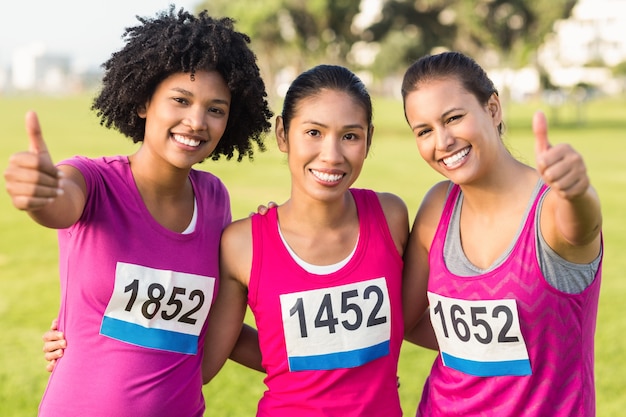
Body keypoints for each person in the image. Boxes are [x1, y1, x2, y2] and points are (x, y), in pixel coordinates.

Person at [4, 7, 272, 417]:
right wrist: (40, 194)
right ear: (145, 101)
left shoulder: (215, 199)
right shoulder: (92, 181)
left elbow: (215, 321)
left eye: (216, 109)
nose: (197, 121)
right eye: (180, 100)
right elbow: (59, 203)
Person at [400, 51, 603, 416]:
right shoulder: (436, 207)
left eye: (454, 118)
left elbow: (583, 224)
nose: (442, 141)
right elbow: (408, 319)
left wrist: (577, 190)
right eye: (424, 131)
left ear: (493, 109)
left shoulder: (553, 210)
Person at [202, 64, 409, 416]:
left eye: (350, 136)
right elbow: (208, 359)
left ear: (368, 139)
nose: (331, 155)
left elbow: (430, 309)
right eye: (313, 132)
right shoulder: (243, 245)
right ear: (283, 134)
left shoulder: (391, 217)